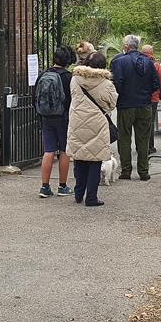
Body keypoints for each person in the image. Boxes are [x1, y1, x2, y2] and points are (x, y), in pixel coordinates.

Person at [67, 52, 117, 207]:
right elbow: (112, 104)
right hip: (98, 124)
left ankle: (78, 193)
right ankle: (91, 197)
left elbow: (72, 96)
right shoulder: (107, 84)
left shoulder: (75, 79)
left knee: (79, 159)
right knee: (95, 161)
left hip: (77, 122)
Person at [109, 34, 158, 181]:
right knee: (143, 139)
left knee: (124, 138)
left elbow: (117, 83)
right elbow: (156, 83)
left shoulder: (120, 61)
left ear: (125, 47)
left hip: (126, 105)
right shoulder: (149, 62)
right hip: (145, 104)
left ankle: (126, 171)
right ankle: (144, 171)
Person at [34, 45, 76, 198]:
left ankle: (45, 187)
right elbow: (72, 99)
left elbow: (35, 97)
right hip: (63, 117)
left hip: (46, 117)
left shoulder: (43, 74)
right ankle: (62, 186)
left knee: (49, 150)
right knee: (64, 150)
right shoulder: (68, 77)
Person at [142, 45, 161, 154]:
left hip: (138, 97)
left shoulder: (134, 63)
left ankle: (140, 146)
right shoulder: (156, 65)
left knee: (139, 124)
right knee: (150, 123)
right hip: (152, 98)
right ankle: (149, 147)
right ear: (152, 53)